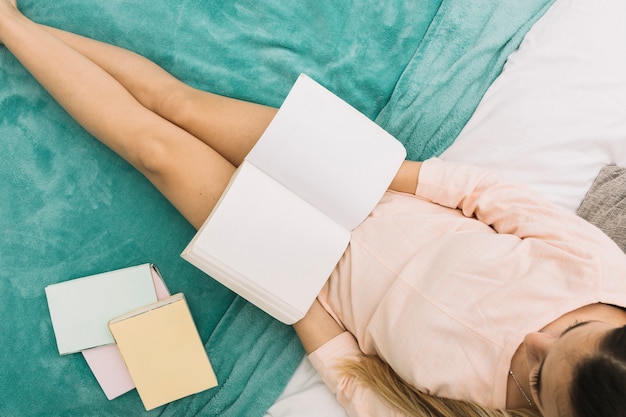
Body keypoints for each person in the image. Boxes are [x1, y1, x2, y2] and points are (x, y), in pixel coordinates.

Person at [1, 2, 626, 417]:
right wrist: (373, 175)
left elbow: (358, 382)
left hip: (308, 280)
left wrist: (296, 297)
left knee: (156, 149)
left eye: (540, 378)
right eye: (570, 331)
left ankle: (10, 30)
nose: (535, 338)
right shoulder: (601, 273)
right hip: (372, 187)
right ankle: (17, 22)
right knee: (180, 104)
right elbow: (482, 195)